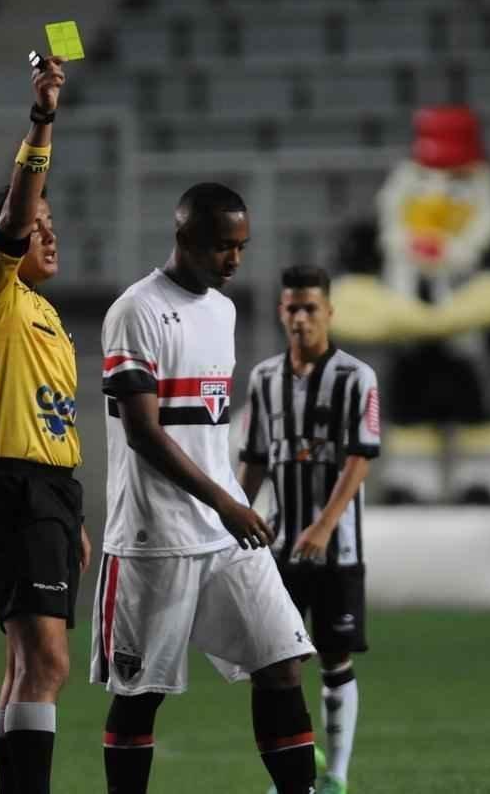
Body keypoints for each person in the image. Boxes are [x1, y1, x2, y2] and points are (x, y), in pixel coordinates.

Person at [92, 182, 318, 794]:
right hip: (152, 537)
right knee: (141, 698)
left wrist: (229, 500)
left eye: (242, 246)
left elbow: (210, 427)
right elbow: (142, 431)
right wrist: (224, 500)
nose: (235, 260)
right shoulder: (135, 312)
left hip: (224, 535)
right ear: (184, 237)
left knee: (283, 661)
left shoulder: (225, 310)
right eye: (223, 246)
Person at [0, 53, 90, 794]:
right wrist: (42, 119)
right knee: (50, 663)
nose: (49, 234)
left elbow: (52, 419)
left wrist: (73, 515)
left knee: (24, 663)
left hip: (47, 489)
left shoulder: (45, 315)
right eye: (38, 225)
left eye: (52, 224)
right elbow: (12, 212)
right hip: (12, 483)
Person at [238, 264, 380, 794]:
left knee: (335, 656)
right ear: (281, 312)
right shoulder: (263, 380)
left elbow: (360, 459)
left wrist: (323, 524)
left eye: (310, 308)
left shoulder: (356, 377)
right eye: (292, 308)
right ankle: (298, 770)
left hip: (338, 548)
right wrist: (233, 517)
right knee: (275, 659)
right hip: (279, 549)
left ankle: (337, 776)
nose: (300, 318)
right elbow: (253, 460)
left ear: (328, 313)